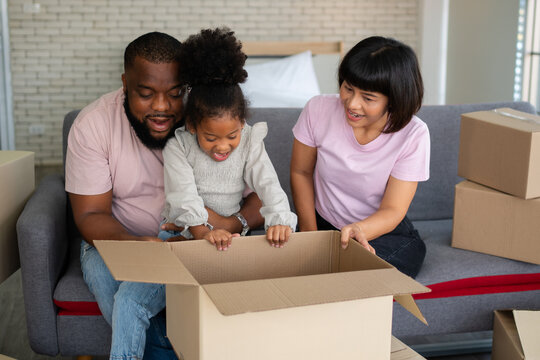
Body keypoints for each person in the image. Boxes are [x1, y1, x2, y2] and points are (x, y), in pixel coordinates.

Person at [65, 31, 264, 360]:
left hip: (191, 243)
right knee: (116, 291)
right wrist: (138, 245)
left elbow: (262, 198)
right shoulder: (93, 125)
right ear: (125, 83)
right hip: (114, 239)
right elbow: (89, 215)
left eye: (174, 94)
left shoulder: (207, 118)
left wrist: (229, 224)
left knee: (132, 303)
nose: (161, 108)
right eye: (145, 94)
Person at [290, 36, 429, 278]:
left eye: (368, 98)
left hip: (378, 229)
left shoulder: (414, 134)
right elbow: (301, 172)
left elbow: (393, 209)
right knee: (290, 254)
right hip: (323, 221)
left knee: (405, 254)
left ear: (395, 99)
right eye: (348, 88)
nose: (352, 104)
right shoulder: (318, 109)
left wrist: (358, 230)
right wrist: (310, 235)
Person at [159, 27, 297, 250]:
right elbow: (182, 195)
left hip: (230, 237)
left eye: (232, 136)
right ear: (193, 126)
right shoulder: (178, 145)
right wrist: (202, 232)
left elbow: (268, 183)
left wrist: (280, 220)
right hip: (186, 231)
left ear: (242, 123)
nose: (223, 146)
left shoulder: (250, 139)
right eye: (211, 137)